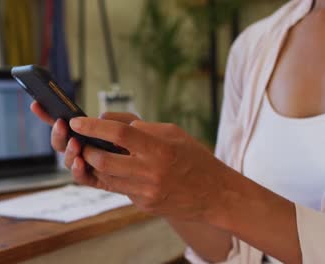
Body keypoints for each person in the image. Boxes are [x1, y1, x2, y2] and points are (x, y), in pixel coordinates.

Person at [31, 0, 325, 262]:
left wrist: (217, 190)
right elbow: (230, 251)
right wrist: (162, 188)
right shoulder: (255, 46)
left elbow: (224, 199)